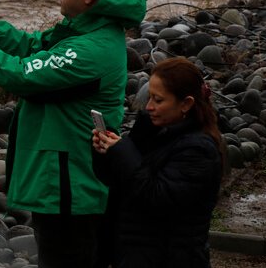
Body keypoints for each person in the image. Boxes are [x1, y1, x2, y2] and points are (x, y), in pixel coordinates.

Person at [0, 0, 147, 268]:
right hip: (66, 187)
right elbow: (34, 48)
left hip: (70, 192)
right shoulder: (87, 30)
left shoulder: (91, 49)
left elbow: (22, 75)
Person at [92, 57, 223, 268]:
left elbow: (156, 197)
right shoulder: (155, 132)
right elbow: (120, 181)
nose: (149, 107)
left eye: (158, 100)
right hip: (137, 255)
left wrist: (124, 152)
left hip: (169, 258)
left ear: (186, 104)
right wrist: (106, 153)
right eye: (149, 98)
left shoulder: (199, 150)